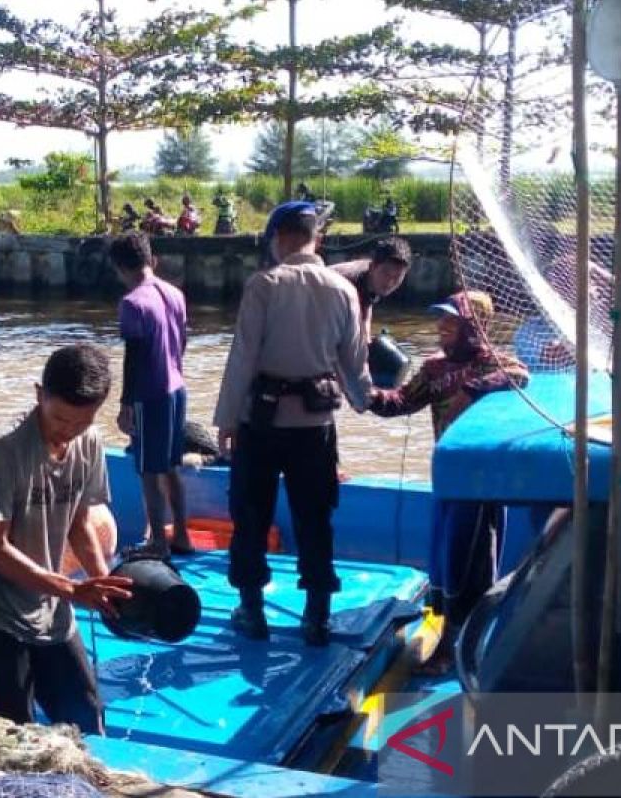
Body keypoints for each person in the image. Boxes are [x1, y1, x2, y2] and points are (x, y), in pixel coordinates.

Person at [213, 201, 371, 647]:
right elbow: (354, 363)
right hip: (315, 426)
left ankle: (252, 611)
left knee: (250, 515)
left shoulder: (263, 285)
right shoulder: (343, 291)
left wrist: (226, 420)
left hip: (261, 424)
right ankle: (317, 618)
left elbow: (242, 357)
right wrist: (365, 402)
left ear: (278, 238)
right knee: (315, 517)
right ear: (315, 238)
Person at [0, 344, 132, 733]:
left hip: (51, 611)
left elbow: (79, 523)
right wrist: (71, 590)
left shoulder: (89, 444)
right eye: (58, 418)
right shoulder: (2, 449)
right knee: (18, 730)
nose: (66, 431)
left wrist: (101, 579)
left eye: (80, 422)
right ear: (39, 394)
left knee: (87, 718)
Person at [367, 290, 529, 672]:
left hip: (482, 482)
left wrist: (471, 391)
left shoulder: (496, 363)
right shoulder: (434, 369)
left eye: (452, 322)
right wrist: (364, 393)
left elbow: (521, 374)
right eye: (442, 320)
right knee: (444, 560)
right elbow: (399, 403)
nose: (442, 328)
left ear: (475, 328)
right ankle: (450, 634)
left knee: (470, 558)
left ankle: (463, 645)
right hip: (446, 477)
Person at [110, 232, 193, 558]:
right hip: (177, 388)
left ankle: (158, 541)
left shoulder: (132, 303)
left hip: (151, 394)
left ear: (119, 268)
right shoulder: (174, 293)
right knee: (171, 466)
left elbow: (134, 356)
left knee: (148, 470)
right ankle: (182, 535)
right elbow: (182, 342)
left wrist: (126, 404)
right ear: (151, 260)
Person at [330, 236, 414, 341]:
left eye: (397, 277)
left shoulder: (371, 281)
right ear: (372, 267)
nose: (389, 282)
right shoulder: (351, 284)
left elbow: (367, 303)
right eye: (385, 273)